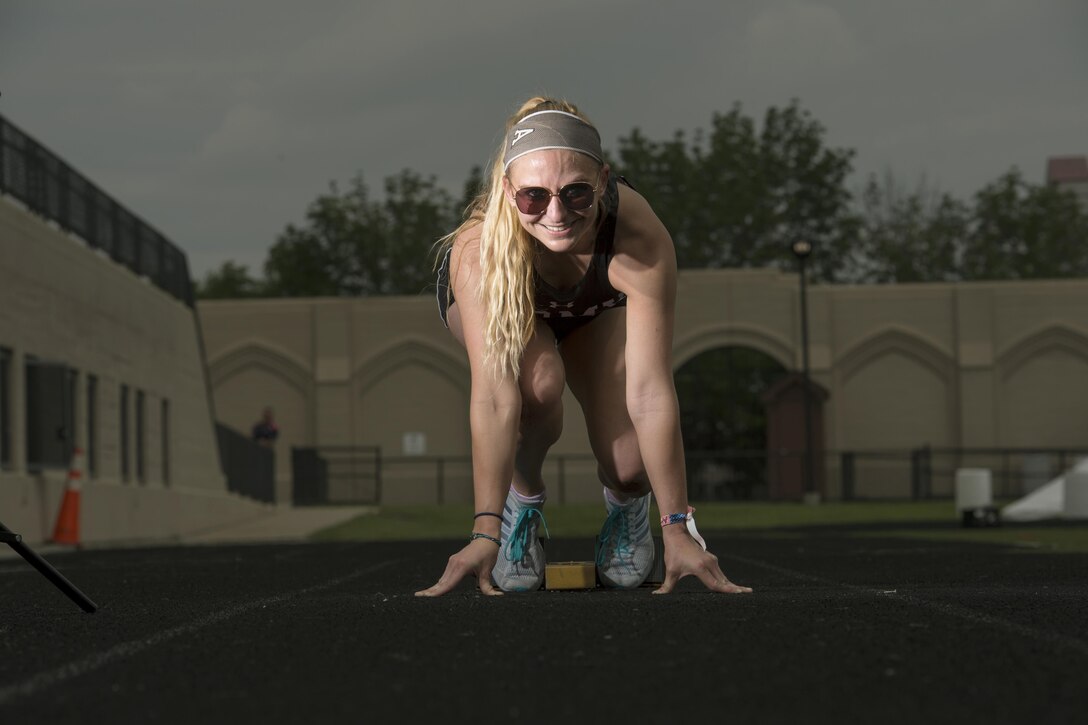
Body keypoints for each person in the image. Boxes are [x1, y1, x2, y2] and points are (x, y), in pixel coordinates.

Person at [416, 97, 751, 597]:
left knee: (629, 462)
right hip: (512, 300)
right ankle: (521, 504)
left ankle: (624, 509)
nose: (555, 214)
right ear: (507, 192)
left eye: (575, 194)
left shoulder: (636, 236)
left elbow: (651, 392)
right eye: (533, 196)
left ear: (603, 181)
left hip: (594, 305)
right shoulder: (477, 250)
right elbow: (493, 397)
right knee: (538, 384)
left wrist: (676, 527)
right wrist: (484, 528)